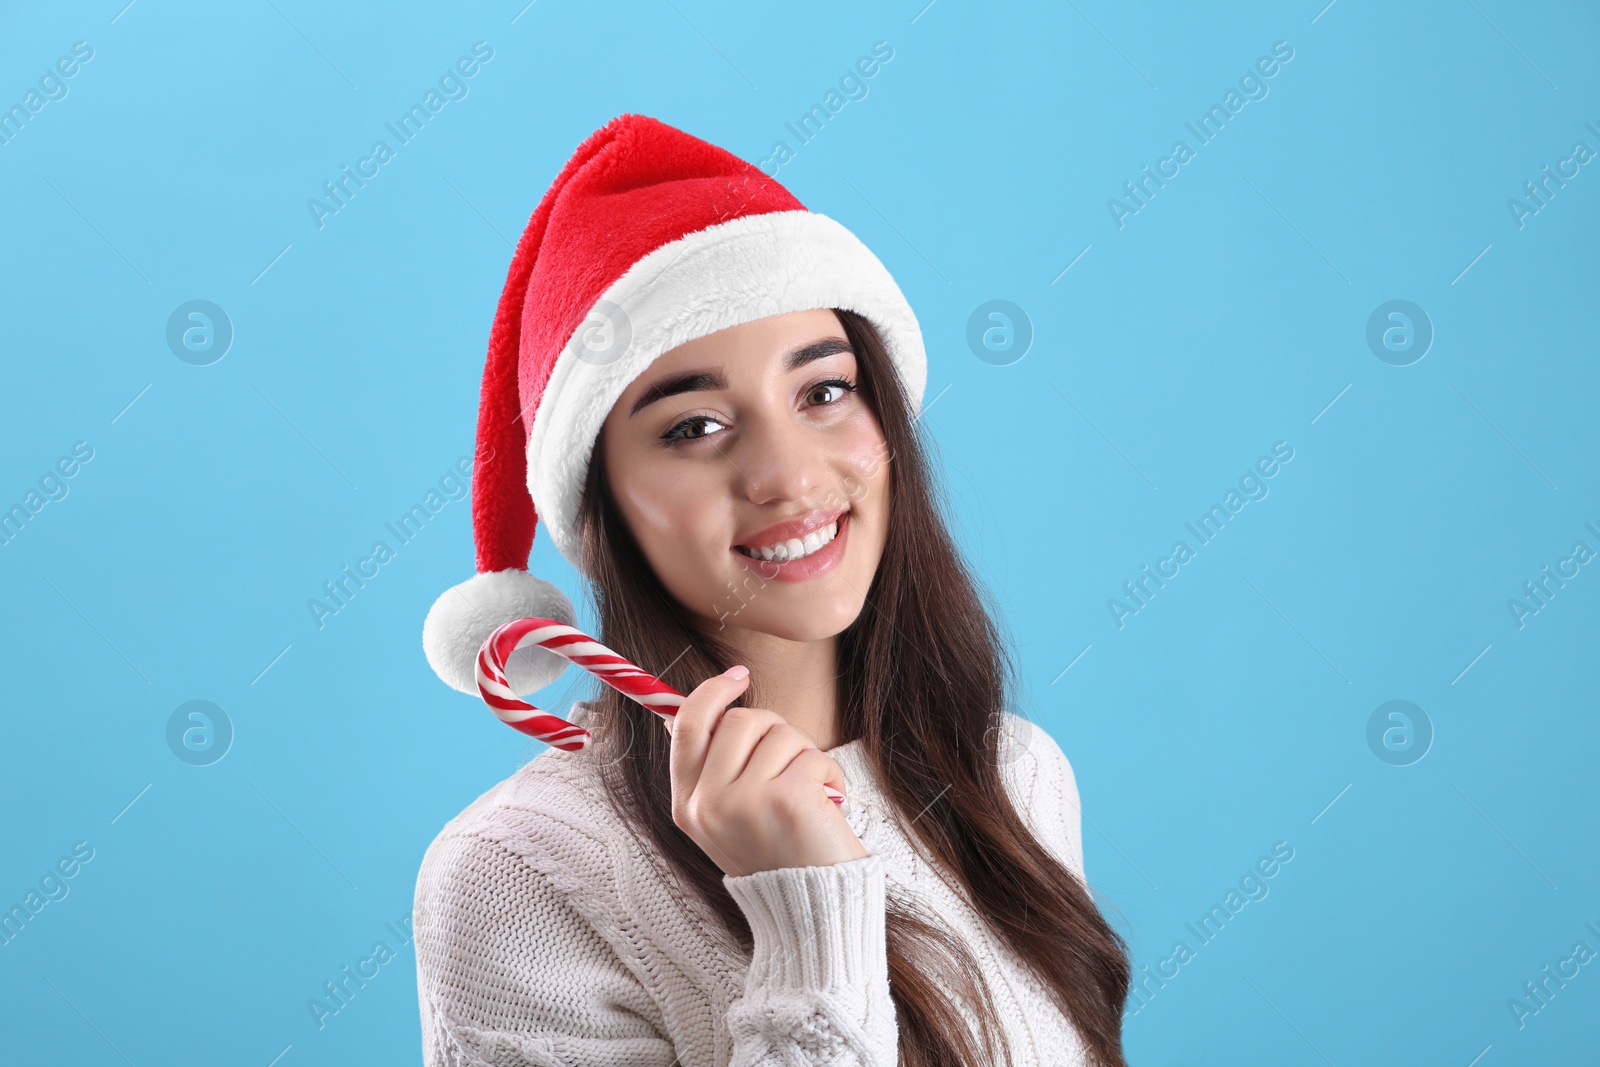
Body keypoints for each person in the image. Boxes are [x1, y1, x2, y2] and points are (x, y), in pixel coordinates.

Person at [413, 113, 1131, 1066]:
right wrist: (806, 913)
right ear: (599, 510)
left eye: (824, 391)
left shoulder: (1013, 775)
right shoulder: (521, 876)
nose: (788, 478)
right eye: (694, 426)